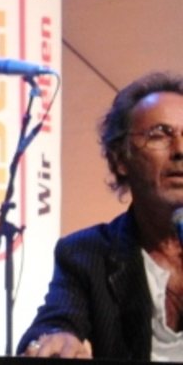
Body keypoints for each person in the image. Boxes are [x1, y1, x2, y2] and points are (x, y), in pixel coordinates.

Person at [19, 70, 183, 361]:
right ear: (120, 160)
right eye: (159, 135)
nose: (180, 150)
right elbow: (56, 323)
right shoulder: (86, 254)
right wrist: (57, 339)